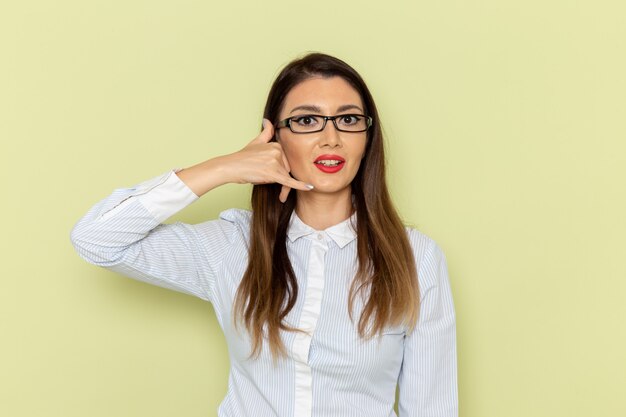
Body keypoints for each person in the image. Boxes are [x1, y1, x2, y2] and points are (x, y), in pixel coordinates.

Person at [70, 52, 458, 417]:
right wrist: (222, 169)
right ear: (274, 138)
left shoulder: (416, 257)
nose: (331, 138)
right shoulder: (232, 245)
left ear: (367, 138)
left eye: (348, 119)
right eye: (307, 120)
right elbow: (96, 238)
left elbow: (431, 406)